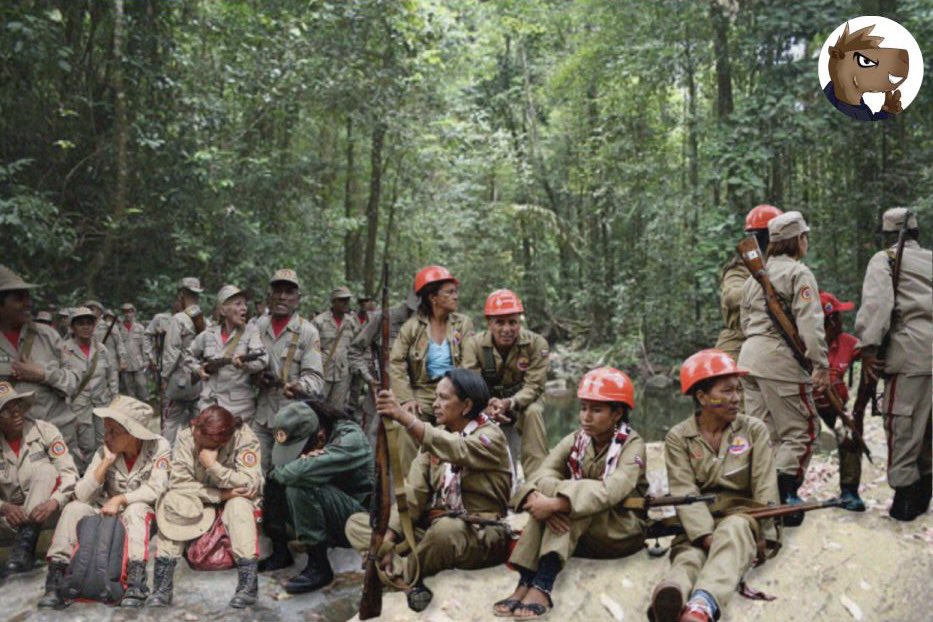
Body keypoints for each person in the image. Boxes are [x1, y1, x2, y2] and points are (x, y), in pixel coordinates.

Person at [345, 368, 512, 612]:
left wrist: (404, 417)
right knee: (358, 524)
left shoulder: (490, 436)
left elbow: (456, 448)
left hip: (479, 534)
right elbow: (413, 495)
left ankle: (401, 576)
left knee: (446, 530)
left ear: (466, 405)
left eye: (444, 398)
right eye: (435, 397)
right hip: (432, 530)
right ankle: (407, 581)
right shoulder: (436, 437)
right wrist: (388, 541)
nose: (435, 404)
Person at [495, 367, 648, 619]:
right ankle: (526, 581)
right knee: (569, 495)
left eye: (596, 410)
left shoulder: (633, 446)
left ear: (617, 413)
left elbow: (611, 491)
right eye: (584, 407)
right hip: (583, 533)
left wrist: (558, 503)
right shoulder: (577, 439)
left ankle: (542, 583)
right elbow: (539, 476)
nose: (585, 417)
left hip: (621, 530)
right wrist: (542, 501)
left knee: (580, 492)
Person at [650, 350, 780, 622]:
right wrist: (706, 536)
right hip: (698, 524)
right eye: (727, 391)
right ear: (702, 397)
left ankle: (702, 604)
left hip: (742, 517)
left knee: (733, 530)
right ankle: (672, 592)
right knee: (688, 554)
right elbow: (684, 491)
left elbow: (765, 488)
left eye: (738, 390)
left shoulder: (753, 429)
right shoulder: (679, 437)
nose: (737, 398)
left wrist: (766, 538)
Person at [737, 211, 829, 523]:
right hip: (779, 360)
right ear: (798, 240)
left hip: (748, 360)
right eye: (805, 237)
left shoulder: (754, 276)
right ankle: (783, 497)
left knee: (765, 435)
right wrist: (820, 365)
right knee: (802, 431)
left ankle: (763, 497)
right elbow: (810, 323)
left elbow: (744, 322)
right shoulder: (798, 273)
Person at [40, 395, 171, 608]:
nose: (106, 437)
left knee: (135, 510)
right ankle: (56, 578)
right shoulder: (105, 450)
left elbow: (157, 488)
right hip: (106, 511)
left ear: (133, 435)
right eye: (106, 430)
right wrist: (106, 462)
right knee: (74, 508)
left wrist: (121, 499)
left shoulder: (158, 447)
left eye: (113, 432)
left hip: (143, 513)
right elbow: (82, 494)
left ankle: (135, 582)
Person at [854, 208, 932, 521]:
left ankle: (903, 501)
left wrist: (869, 348)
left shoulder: (884, 259)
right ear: (916, 233)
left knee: (903, 426)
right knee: (929, 429)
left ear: (887, 235)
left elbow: (878, 305)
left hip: (909, 355)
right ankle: (923, 495)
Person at [150, 405, 264, 609]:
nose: (195, 440)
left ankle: (248, 587)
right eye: (196, 435)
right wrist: (221, 493)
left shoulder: (244, 438)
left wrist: (214, 467)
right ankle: (162, 587)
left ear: (220, 443)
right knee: (173, 502)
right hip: (200, 500)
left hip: (232, 501)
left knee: (239, 506)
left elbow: (250, 484)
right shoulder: (188, 436)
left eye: (201, 442)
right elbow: (179, 484)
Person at [262, 400, 372, 592]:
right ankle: (281, 551)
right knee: (274, 482)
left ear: (320, 437)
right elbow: (279, 471)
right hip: (327, 510)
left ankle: (319, 566)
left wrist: (292, 469)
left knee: (299, 484)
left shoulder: (350, 439)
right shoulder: (315, 432)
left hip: (356, 521)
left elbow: (294, 474)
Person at [389, 265, 474, 470]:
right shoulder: (412, 327)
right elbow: (396, 362)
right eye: (450, 292)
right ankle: (412, 491)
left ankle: (453, 485)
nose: (456, 297)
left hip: (455, 391)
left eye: (456, 292)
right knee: (403, 426)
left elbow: (469, 363)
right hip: (422, 393)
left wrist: (456, 395)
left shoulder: (463, 324)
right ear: (433, 297)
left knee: (456, 432)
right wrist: (406, 397)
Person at [462, 289, 549, 478]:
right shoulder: (474, 345)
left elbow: (534, 386)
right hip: (486, 404)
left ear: (520, 322)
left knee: (534, 411)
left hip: (521, 403)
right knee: (462, 409)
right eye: (499, 322)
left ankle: (537, 482)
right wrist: (486, 406)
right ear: (489, 323)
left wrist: (509, 403)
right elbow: (470, 383)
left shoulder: (536, 344)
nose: (507, 329)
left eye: (513, 322)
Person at [0, 381, 78, 576]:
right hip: (9, 518)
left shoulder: (44, 431)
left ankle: (24, 547)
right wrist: (3, 507)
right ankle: (24, 546)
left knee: (46, 470)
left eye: (17, 406)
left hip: (44, 513)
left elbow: (69, 473)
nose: (16, 413)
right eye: (6, 410)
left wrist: (54, 501)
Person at [0, 265, 79, 453]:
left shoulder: (48, 336)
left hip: (59, 439)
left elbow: (74, 381)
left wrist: (43, 374)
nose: (28, 304)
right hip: (11, 447)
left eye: (28, 297)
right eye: (19, 299)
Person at [254, 269, 324, 473]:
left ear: (297, 299)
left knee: (284, 473)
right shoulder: (258, 326)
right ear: (269, 295)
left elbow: (316, 378)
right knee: (256, 472)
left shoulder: (307, 332)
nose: (282, 297)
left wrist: (300, 386)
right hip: (262, 414)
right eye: (277, 291)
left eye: (289, 292)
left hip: (291, 417)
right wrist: (256, 377)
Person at [811, 291, 865, 512]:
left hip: (836, 409)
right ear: (829, 321)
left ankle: (849, 490)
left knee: (850, 433)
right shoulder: (801, 343)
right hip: (806, 409)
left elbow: (871, 356)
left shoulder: (848, 343)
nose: (843, 321)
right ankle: (788, 492)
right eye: (839, 317)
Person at [186, 285, 267, 423]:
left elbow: (262, 360)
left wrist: (244, 365)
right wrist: (198, 369)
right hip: (210, 406)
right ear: (223, 310)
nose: (244, 308)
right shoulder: (208, 334)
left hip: (240, 409)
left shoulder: (251, 331)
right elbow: (188, 356)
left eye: (245, 304)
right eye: (238, 304)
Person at [348, 290, 419, 445]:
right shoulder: (383, 318)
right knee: (372, 447)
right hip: (381, 396)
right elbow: (354, 351)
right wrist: (369, 378)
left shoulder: (428, 322)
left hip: (413, 398)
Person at [715, 204, 783, 362]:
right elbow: (731, 297)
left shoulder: (783, 268)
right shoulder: (740, 269)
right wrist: (764, 287)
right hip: (739, 342)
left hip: (775, 342)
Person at [62, 307, 119, 471]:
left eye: (89, 323)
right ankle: (88, 476)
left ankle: (104, 475)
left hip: (102, 403)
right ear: (73, 327)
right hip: (79, 406)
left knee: (105, 441)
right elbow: (61, 381)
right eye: (81, 324)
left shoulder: (101, 349)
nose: (86, 327)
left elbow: (112, 376)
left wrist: (115, 400)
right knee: (86, 445)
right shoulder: (65, 351)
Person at [161, 277, 206, 444]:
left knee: (171, 420)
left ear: (181, 295)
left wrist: (164, 377)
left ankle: (164, 458)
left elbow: (172, 351)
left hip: (180, 380)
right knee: (198, 421)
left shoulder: (179, 319)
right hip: (198, 378)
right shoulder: (203, 320)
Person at [312, 286, 359, 412]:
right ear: (334, 301)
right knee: (317, 407)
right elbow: (311, 349)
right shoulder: (319, 321)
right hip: (322, 372)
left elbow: (356, 347)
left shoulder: (351, 322)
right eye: (342, 300)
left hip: (343, 372)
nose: (346, 303)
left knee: (336, 410)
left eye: (347, 300)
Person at [119, 303, 150, 402]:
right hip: (125, 364)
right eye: (125, 312)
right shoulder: (118, 328)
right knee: (128, 391)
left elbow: (144, 345)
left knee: (142, 386)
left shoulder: (139, 328)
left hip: (138, 363)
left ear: (134, 313)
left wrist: (146, 360)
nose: (127, 314)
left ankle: (145, 410)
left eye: (130, 312)